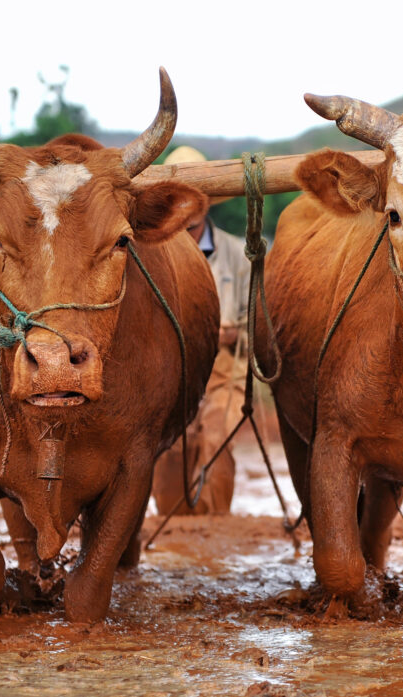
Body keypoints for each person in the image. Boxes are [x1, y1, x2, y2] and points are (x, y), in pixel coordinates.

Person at [151, 146, 250, 515]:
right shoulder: (152, 253)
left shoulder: (238, 254)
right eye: (177, 199)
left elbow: (254, 322)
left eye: (194, 199)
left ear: (206, 203)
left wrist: (234, 333)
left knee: (218, 437)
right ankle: (174, 527)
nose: (187, 208)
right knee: (171, 446)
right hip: (168, 370)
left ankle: (214, 529)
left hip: (225, 366)